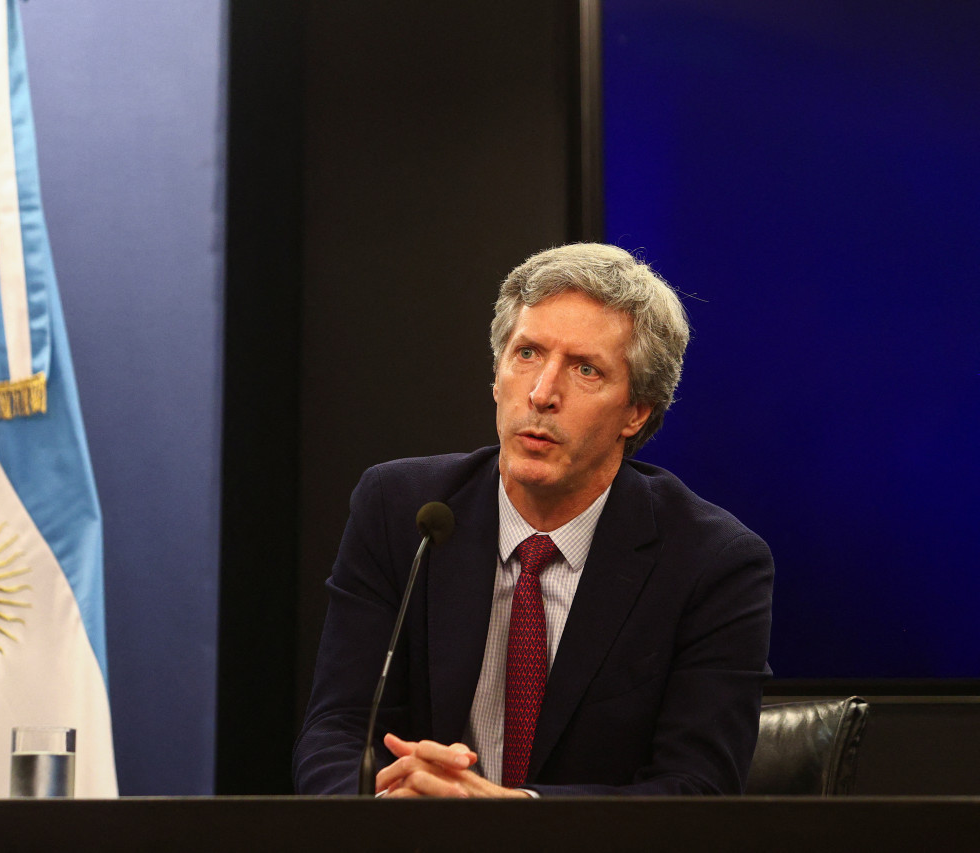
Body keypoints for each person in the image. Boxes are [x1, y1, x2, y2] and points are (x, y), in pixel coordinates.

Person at [293, 243, 773, 797]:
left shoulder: (711, 563)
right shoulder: (404, 512)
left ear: (637, 411)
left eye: (586, 369)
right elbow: (337, 729)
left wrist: (510, 814)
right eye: (526, 355)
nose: (542, 394)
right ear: (496, 376)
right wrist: (388, 808)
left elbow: (697, 788)